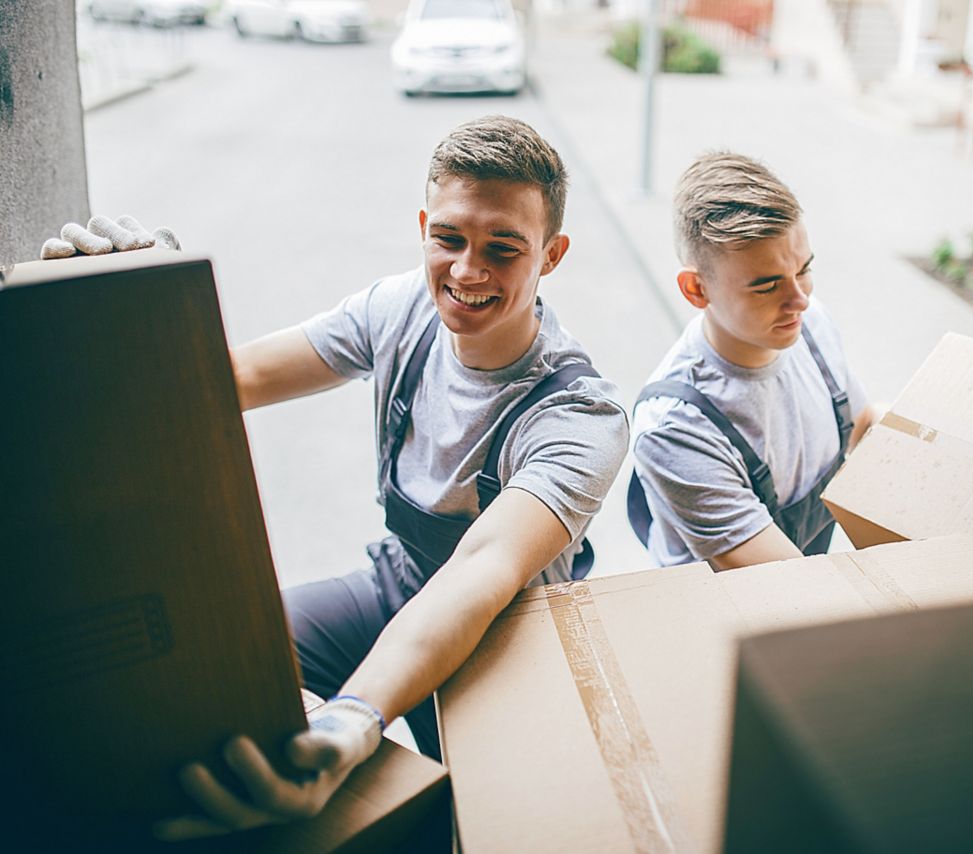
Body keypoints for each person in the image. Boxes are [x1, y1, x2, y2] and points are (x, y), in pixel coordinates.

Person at [49, 115, 629, 838]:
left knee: (476, 825)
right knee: (214, 680)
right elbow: (232, 378)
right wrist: (127, 299)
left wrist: (354, 717)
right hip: (397, 582)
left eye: (503, 249)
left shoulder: (580, 415)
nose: (468, 272)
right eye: (449, 239)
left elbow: (481, 570)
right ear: (424, 226)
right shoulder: (400, 311)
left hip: (510, 632)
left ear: (552, 253)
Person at [628, 151, 874, 570]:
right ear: (696, 290)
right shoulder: (676, 426)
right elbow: (784, 584)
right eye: (767, 286)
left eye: (804, 269)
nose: (800, 299)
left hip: (810, 583)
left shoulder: (811, 326)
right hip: (736, 609)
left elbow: (865, 426)